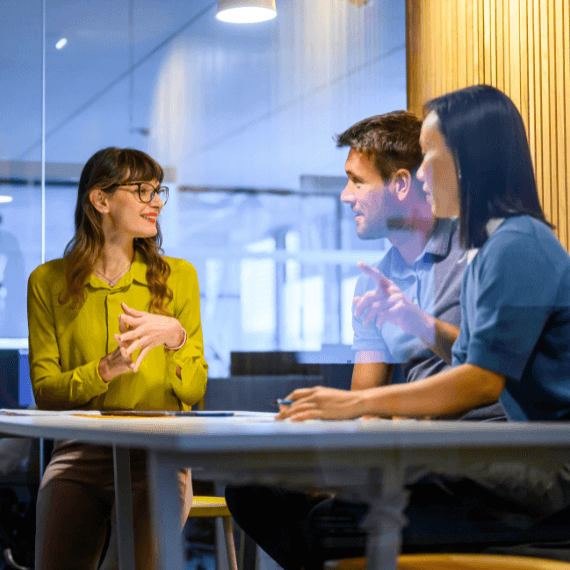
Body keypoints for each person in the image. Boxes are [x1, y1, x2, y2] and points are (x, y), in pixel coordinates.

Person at [276, 85, 570, 565]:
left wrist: (354, 404)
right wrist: (416, 322)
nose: (419, 172)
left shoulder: (517, 243)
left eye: (429, 155)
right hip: (533, 460)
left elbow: (480, 380)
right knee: (327, 510)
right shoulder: (496, 244)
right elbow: (473, 358)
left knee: (334, 524)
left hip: (552, 472)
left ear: (468, 161)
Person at [225, 110, 505, 570]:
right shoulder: (375, 278)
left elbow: (492, 368)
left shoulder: (478, 252)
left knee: (328, 527)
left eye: (356, 182)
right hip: (410, 452)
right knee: (253, 492)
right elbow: (365, 400)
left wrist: (416, 322)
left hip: (477, 453)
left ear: (399, 185)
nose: (345, 195)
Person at [27, 147, 208, 570]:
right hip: (79, 453)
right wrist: (105, 369)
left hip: (157, 455)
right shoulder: (47, 281)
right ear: (101, 200)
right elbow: (45, 393)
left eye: (158, 191)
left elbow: (195, 388)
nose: (157, 201)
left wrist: (175, 338)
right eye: (142, 190)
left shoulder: (179, 276)